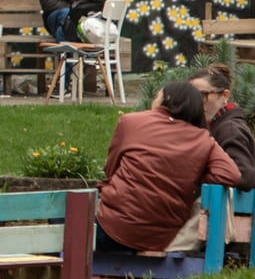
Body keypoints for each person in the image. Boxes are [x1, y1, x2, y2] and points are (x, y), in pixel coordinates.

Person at [97, 79, 242, 254]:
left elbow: (111, 169)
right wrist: (193, 176)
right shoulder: (203, 139)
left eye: (157, 94)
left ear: (166, 98)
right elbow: (232, 175)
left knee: (67, 219)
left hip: (114, 228)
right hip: (163, 238)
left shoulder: (130, 122)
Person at [192, 63, 255, 190]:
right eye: (192, 96)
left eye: (203, 95)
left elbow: (244, 176)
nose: (196, 102)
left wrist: (196, 178)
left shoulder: (230, 130)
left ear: (225, 96)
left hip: (229, 209)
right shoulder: (213, 126)